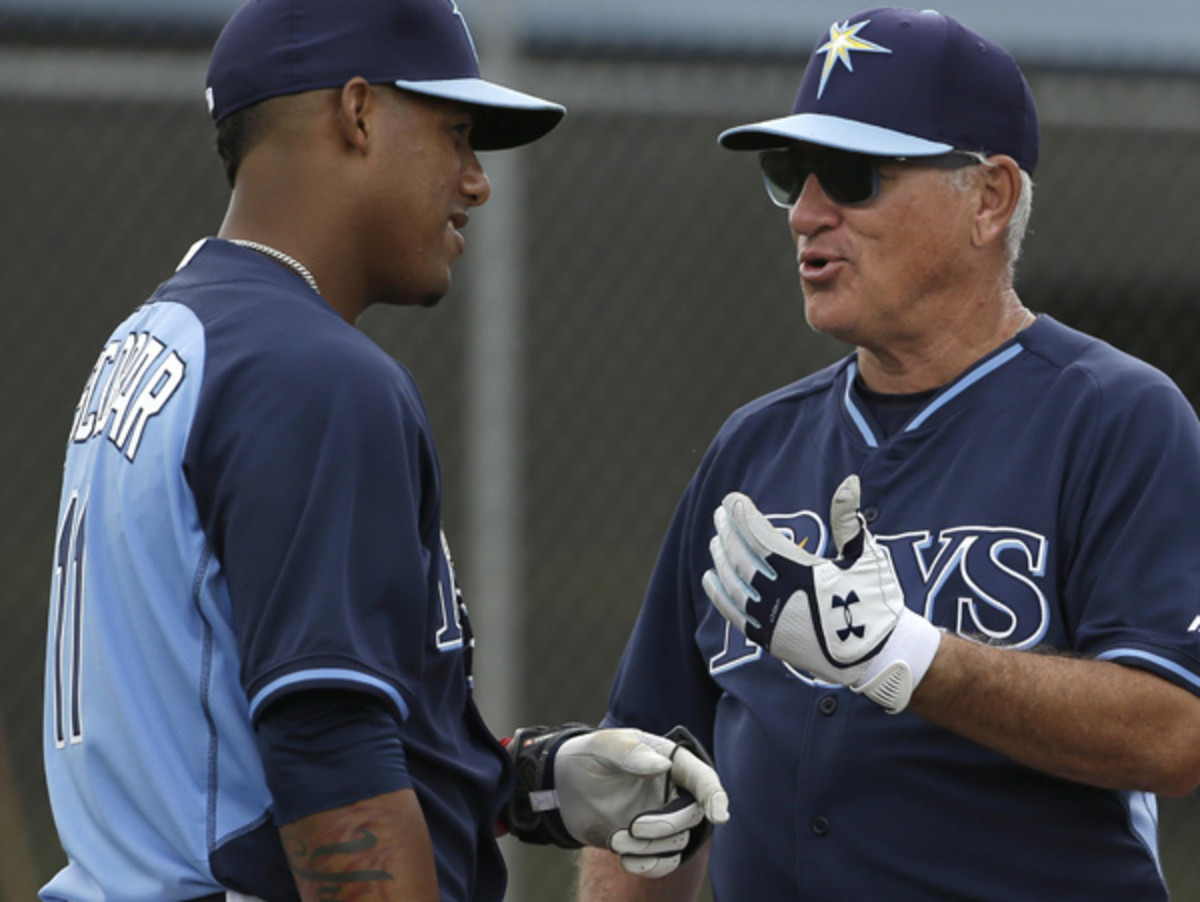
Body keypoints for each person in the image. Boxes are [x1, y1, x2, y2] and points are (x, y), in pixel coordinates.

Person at [39, 1, 728, 900]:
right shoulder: (311, 373)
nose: (476, 180)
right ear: (358, 113)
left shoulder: (166, 335)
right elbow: (329, 770)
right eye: (456, 132)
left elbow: (217, 735)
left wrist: (520, 781)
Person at [578, 7, 1200, 900]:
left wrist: (903, 657)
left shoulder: (1116, 416)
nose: (806, 213)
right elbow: (650, 771)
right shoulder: (753, 446)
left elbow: (1173, 731)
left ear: (989, 198)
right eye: (790, 173)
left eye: (850, 174)